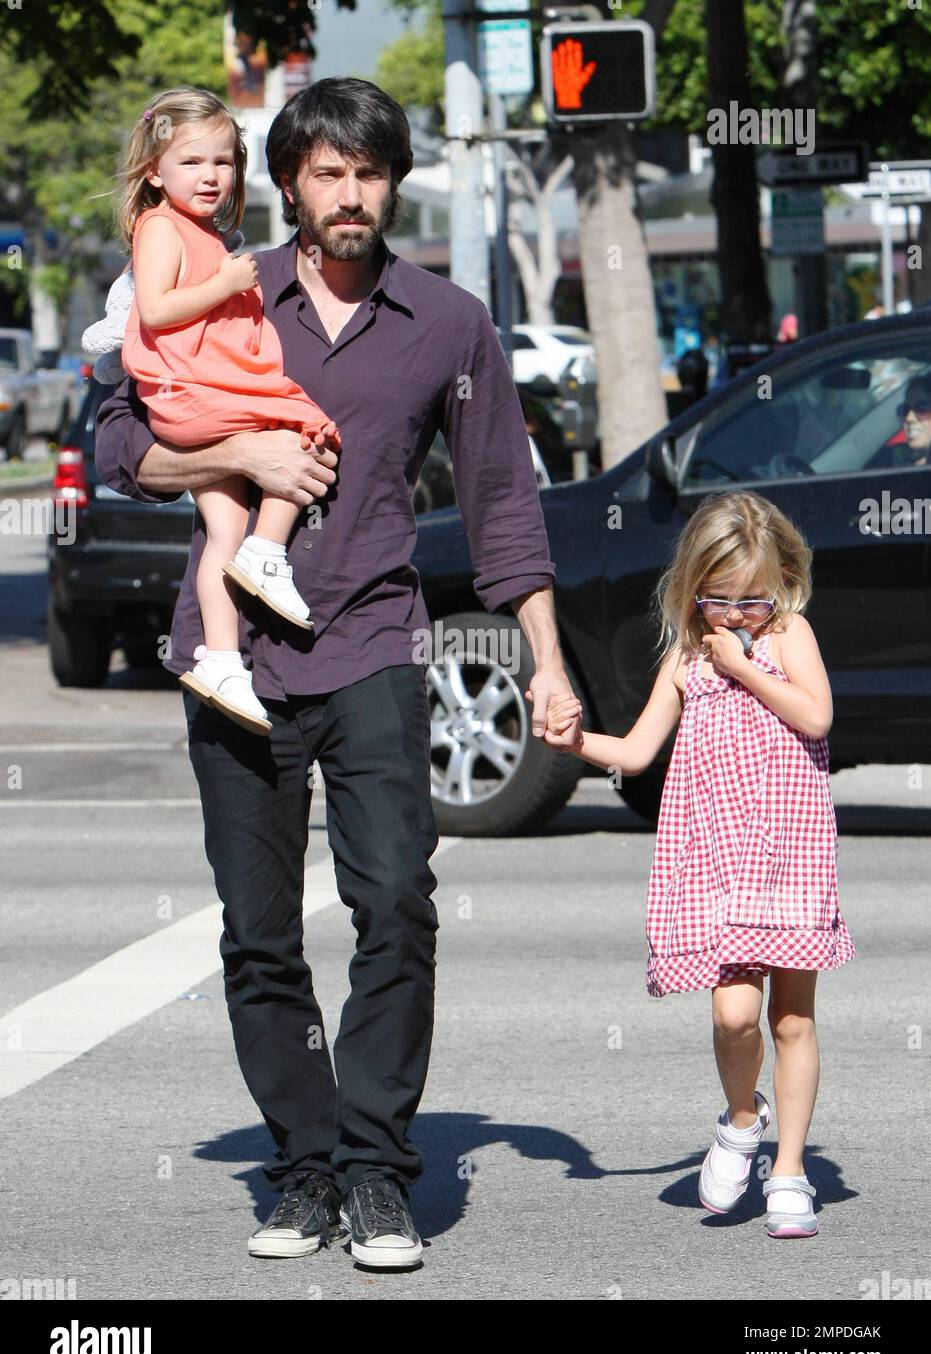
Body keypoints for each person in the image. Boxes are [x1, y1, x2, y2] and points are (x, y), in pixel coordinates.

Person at [94, 76, 581, 1269]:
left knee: (396, 905)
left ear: (393, 183)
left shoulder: (450, 323)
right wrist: (238, 446)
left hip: (372, 642)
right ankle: (301, 1169)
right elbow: (112, 441)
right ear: (292, 185)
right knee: (258, 933)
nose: (348, 193)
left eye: (368, 173)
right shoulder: (220, 286)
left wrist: (550, 666)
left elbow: (503, 504)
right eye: (326, 173)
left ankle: (375, 1171)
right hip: (236, 660)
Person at [544, 490, 854, 1239]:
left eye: (753, 598)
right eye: (719, 601)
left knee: (789, 1019)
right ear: (691, 589)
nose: (737, 615)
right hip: (714, 854)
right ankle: (740, 1121)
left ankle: (787, 1171)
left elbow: (815, 716)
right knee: (732, 1012)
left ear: (780, 578)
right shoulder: (687, 658)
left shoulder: (787, 635)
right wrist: (574, 742)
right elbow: (637, 751)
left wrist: (745, 663)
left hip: (789, 849)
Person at [98, 87, 343, 734]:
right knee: (306, 425)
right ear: (154, 171)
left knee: (221, 533)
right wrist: (226, 284)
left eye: (223, 162)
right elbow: (155, 310)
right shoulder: (161, 228)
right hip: (194, 396)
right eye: (192, 162)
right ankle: (270, 551)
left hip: (198, 396)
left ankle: (221, 660)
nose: (210, 176)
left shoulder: (202, 231)